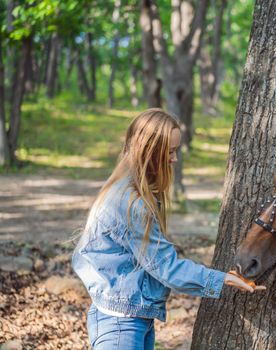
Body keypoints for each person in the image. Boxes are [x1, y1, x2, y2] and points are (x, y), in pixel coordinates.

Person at [72, 108, 264, 350]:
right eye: (169, 152)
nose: (174, 159)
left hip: (132, 316)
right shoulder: (130, 203)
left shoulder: (134, 193)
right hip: (120, 324)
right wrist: (222, 279)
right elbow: (166, 268)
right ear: (149, 151)